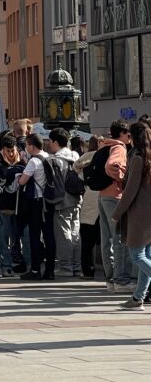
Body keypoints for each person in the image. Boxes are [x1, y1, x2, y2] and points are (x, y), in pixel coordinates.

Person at [112, 121, 151, 309]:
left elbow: (130, 190)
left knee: (137, 255)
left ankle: (138, 297)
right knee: (147, 255)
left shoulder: (137, 158)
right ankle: (138, 297)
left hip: (140, 214)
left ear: (133, 138)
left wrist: (117, 213)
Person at [96, 121, 133, 292]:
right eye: (128, 135)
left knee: (107, 239)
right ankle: (121, 280)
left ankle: (111, 279)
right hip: (114, 196)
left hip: (102, 195)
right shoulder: (119, 148)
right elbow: (111, 165)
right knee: (119, 238)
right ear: (123, 134)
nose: (130, 138)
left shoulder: (104, 146)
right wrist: (122, 178)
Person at [17, 133, 55, 280]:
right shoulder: (49, 157)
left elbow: (22, 181)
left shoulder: (33, 162)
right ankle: (50, 270)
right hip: (49, 201)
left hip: (37, 202)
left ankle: (35, 270)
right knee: (49, 235)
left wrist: (19, 176)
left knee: (34, 235)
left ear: (32, 146)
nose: (26, 147)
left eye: (27, 145)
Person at [48, 128, 82, 277]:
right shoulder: (75, 156)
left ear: (55, 142)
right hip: (77, 198)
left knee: (63, 234)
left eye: (50, 141)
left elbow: (54, 183)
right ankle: (76, 266)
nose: (49, 144)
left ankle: (65, 267)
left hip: (62, 201)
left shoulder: (56, 160)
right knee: (75, 233)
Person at [0, 134, 25, 276]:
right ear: (2, 150)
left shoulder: (22, 163)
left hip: (18, 208)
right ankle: (6, 265)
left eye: (13, 151)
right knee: (2, 238)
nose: (11, 154)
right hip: (2, 206)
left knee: (16, 237)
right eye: (8, 151)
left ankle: (17, 261)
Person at [74, 136, 102, 279]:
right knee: (107, 238)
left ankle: (88, 270)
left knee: (87, 240)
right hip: (106, 196)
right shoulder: (108, 155)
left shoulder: (88, 156)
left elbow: (76, 166)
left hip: (90, 197)